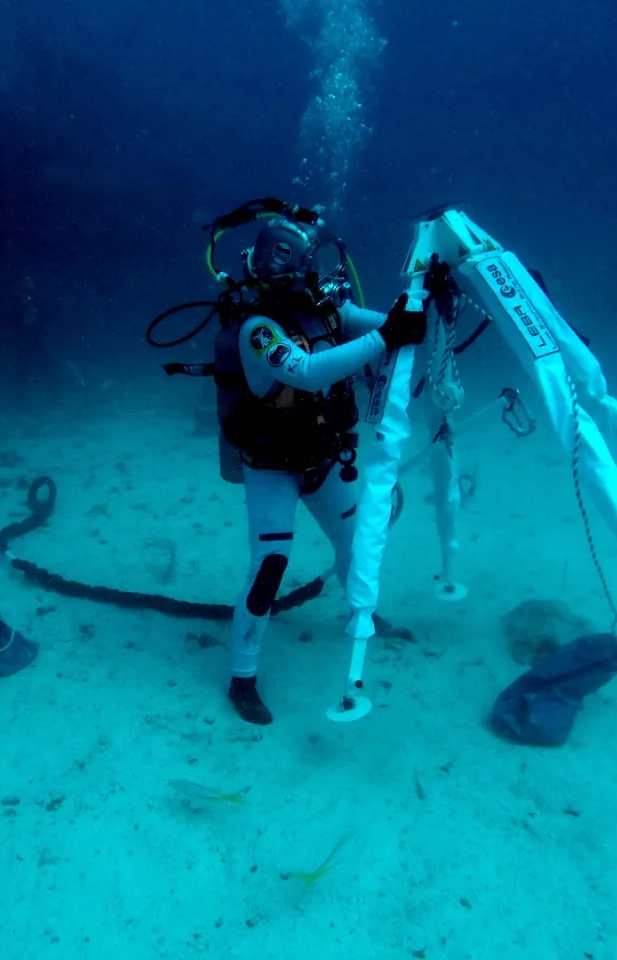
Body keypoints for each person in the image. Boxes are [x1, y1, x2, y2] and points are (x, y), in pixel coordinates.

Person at [218, 213, 427, 724]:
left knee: (355, 546)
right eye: (269, 251)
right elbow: (309, 373)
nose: (275, 263)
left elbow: (388, 326)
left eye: (288, 253)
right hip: (270, 465)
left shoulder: (328, 307)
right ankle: (241, 677)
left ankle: (363, 612)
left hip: (321, 456)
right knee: (269, 565)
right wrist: (391, 333)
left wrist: (424, 299)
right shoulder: (256, 330)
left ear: (309, 262)